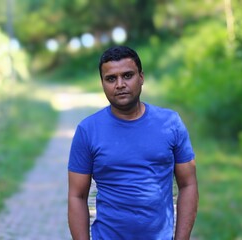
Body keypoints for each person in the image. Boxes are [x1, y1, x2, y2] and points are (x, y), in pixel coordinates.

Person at [68, 46, 198, 240]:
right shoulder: (88, 130)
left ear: (141, 77)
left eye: (127, 75)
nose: (120, 84)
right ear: (102, 83)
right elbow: (77, 196)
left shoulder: (170, 123)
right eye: (111, 78)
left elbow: (188, 184)